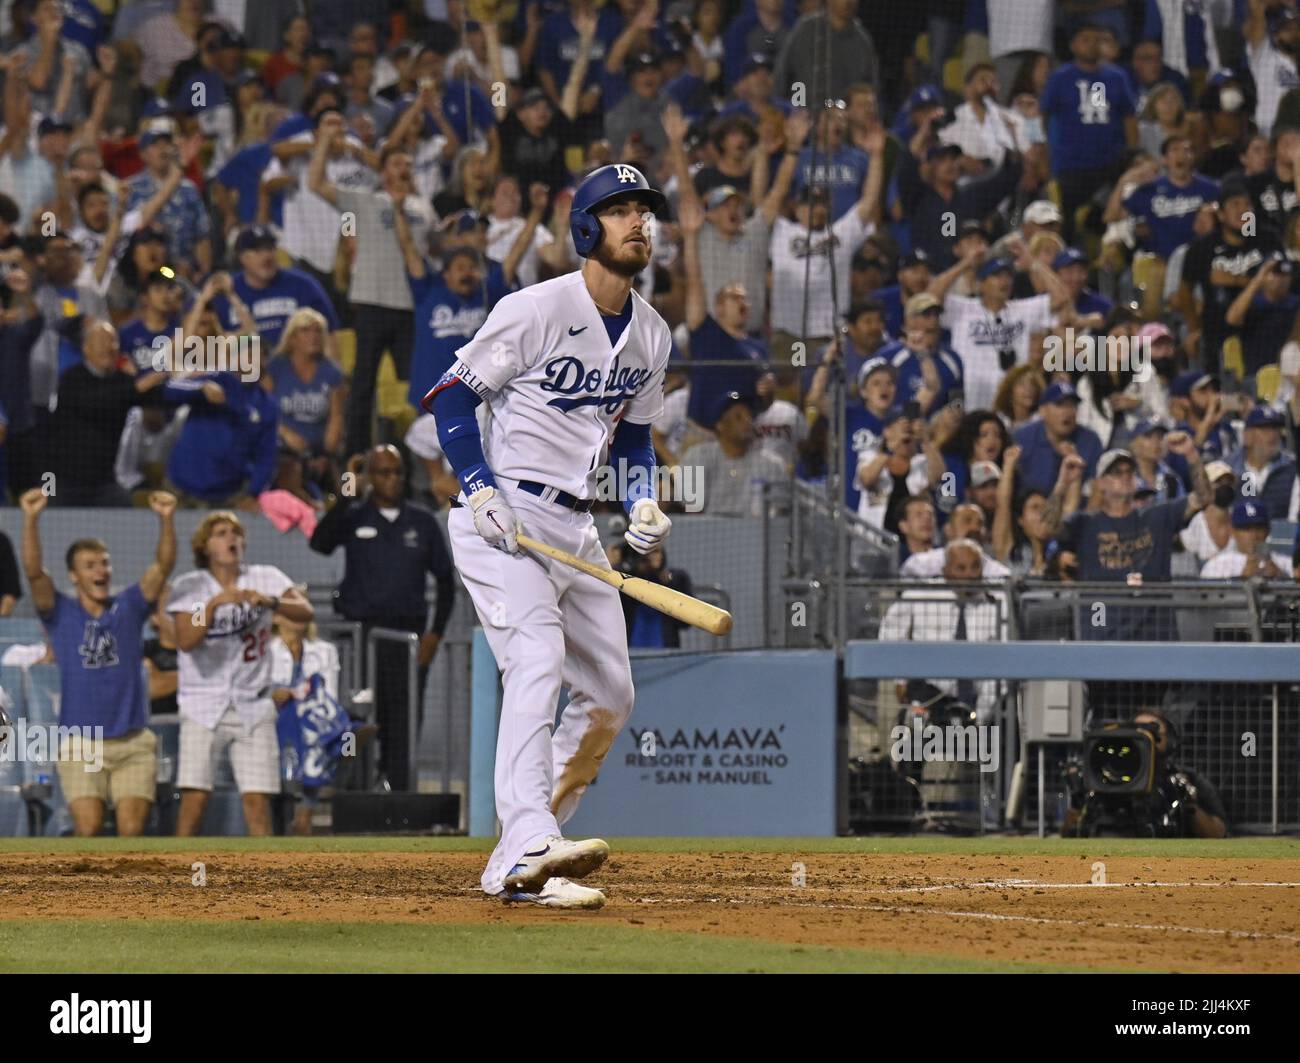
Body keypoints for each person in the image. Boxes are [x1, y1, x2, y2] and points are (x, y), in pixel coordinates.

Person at [424, 162, 673, 910]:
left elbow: (634, 441)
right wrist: (478, 488)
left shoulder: (652, 335)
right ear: (587, 228)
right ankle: (528, 837)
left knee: (610, 695)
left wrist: (642, 501)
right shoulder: (535, 307)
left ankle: (525, 853)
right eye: (622, 209)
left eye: (645, 211)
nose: (639, 222)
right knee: (536, 655)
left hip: (574, 522)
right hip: (502, 516)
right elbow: (450, 401)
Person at [21, 488, 175, 837]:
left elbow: (163, 566)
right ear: (74, 576)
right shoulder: (60, 613)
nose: (101, 570)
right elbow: (33, 573)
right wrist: (30, 518)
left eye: (105, 563)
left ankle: (129, 895)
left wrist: (166, 520)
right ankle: (85, 895)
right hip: (81, 742)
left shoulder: (130, 607)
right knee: (88, 829)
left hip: (133, 742)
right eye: (90, 565)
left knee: (131, 833)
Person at [308, 445, 456, 791]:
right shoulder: (354, 515)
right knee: (360, 714)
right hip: (361, 638)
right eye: (383, 472)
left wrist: (434, 636)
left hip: (407, 638)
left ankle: (399, 793)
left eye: (398, 472)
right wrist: (347, 486)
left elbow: (446, 583)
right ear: (370, 477)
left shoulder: (422, 522)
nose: (392, 480)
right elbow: (321, 541)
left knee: (404, 716)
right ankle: (356, 791)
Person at [168, 511, 314, 837]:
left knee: (257, 799)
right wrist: (214, 606)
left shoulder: (265, 577)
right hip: (202, 705)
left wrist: (272, 602)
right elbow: (186, 641)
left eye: (235, 533)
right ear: (205, 546)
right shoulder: (190, 587)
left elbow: (306, 612)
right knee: (195, 795)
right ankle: (178, 877)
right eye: (220, 533)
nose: (231, 539)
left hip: (254, 703)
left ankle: (267, 882)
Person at [307, 116, 432, 455]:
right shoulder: (365, 200)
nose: (403, 168)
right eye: (396, 163)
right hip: (372, 305)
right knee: (363, 385)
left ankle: (415, 456)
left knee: (414, 386)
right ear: (383, 171)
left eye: (407, 163)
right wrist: (323, 142)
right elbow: (315, 183)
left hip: (410, 308)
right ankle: (357, 458)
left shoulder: (424, 208)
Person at [1043, 438, 1210, 638]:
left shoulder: (1157, 517)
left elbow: (1204, 498)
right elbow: (1046, 528)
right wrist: (1062, 484)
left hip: (1156, 639)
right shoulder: (1085, 525)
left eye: (1129, 471)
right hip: (1103, 640)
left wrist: (1191, 455)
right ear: (1101, 484)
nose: (1125, 476)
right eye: (1116, 472)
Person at [877, 538, 1006, 723]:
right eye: (961, 569)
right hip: (928, 693)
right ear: (945, 571)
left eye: (975, 567)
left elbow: (1001, 661)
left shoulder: (996, 605)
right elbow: (890, 635)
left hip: (979, 699)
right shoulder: (919, 596)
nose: (969, 575)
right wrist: (900, 679)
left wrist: (981, 715)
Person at [681, 391, 788, 517]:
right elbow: (692, 510)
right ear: (720, 425)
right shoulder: (697, 456)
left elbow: (778, 511)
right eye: (738, 417)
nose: (747, 422)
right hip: (708, 531)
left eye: (749, 417)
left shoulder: (771, 463)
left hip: (756, 532)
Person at [1012, 381, 1104, 494]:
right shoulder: (1022, 438)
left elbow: (1098, 489)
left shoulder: (1091, 441)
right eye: (1060, 405)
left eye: (1072, 405)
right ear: (1042, 411)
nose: (1068, 412)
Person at [1228, 404, 1297, 520]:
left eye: (1275, 428)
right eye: (1264, 429)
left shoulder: (1291, 469)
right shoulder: (1228, 469)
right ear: (1247, 436)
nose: (1272, 435)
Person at [1200, 499, 1293, 580]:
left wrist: (1281, 578)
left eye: (1259, 528)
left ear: (1268, 530)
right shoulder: (1217, 565)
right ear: (1232, 530)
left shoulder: (1286, 563)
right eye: (1246, 529)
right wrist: (1242, 579)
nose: (1254, 535)